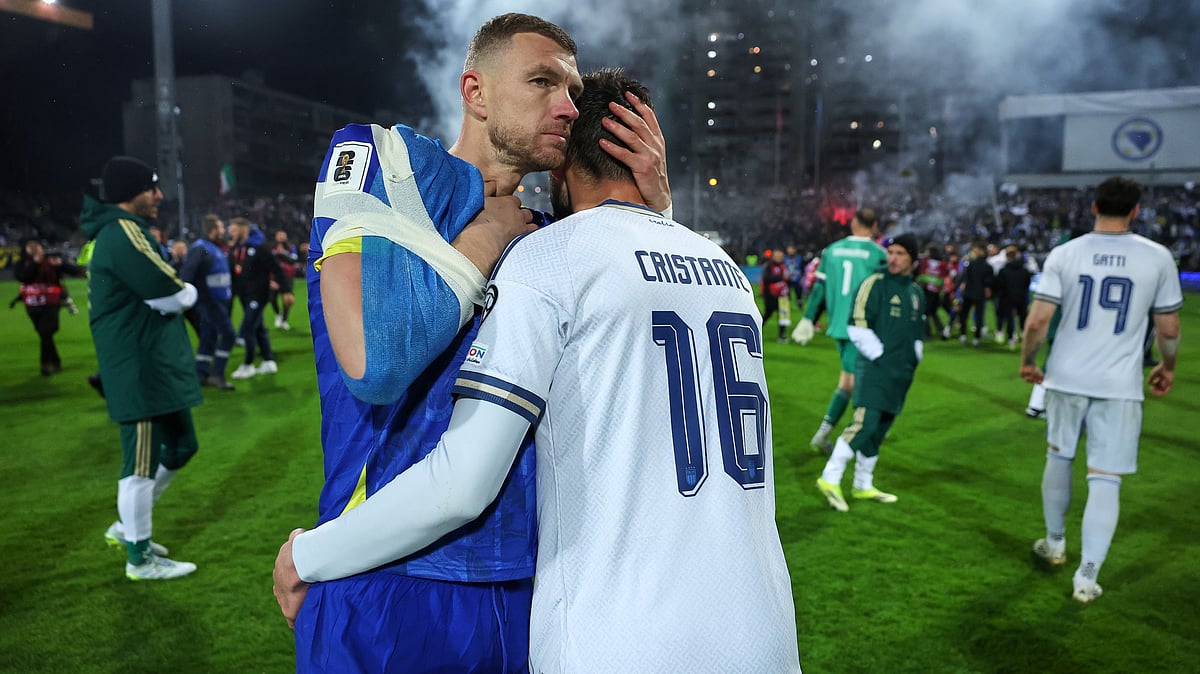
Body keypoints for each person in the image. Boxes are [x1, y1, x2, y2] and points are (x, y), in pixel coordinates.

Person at [275, 67, 800, 674]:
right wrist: (662, 208)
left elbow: (459, 482)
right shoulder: (725, 270)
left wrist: (307, 556)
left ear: (559, 163)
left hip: (623, 634)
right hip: (763, 626)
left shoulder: (548, 256)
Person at [1021, 176, 1183, 604]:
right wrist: (1167, 366)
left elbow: (1037, 321)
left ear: (1093, 207)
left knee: (1059, 456)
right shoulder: (1157, 257)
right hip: (1118, 385)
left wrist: (1028, 361)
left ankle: (1055, 544)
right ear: (1136, 210)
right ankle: (1086, 576)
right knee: (1105, 479)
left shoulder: (1065, 253)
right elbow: (1168, 327)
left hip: (1066, 378)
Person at [80, 155, 201, 581]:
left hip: (151, 363)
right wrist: (187, 290)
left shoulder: (123, 231)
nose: (159, 196)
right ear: (134, 193)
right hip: (138, 366)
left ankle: (128, 528)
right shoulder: (122, 231)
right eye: (153, 187)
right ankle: (139, 558)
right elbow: (169, 294)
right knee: (140, 463)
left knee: (183, 445)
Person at [815, 233, 925, 511]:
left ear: (913, 258)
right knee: (865, 424)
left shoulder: (915, 292)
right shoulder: (874, 283)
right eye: (892, 252)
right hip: (875, 369)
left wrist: (913, 359)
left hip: (901, 372)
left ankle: (863, 485)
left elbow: (917, 333)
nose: (893, 258)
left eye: (901, 253)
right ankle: (830, 478)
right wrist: (881, 356)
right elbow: (856, 325)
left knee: (880, 428)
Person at [793, 208, 887, 453]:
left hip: (837, 326)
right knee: (857, 383)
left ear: (853, 223)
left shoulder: (831, 251)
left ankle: (837, 434)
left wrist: (808, 318)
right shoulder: (878, 254)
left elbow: (819, 288)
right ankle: (842, 436)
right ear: (874, 225)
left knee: (852, 381)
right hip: (863, 327)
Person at [227, 217, 290, 379]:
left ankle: (248, 365)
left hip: (258, 295)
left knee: (247, 328)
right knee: (259, 328)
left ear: (243, 229)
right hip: (245, 296)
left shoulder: (259, 248)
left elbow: (276, 269)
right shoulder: (237, 248)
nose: (230, 233)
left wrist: (286, 291)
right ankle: (269, 361)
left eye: (233, 230)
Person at [180, 214, 237, 390]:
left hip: (216, 301)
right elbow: (187, 275)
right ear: (213, 230)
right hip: (209, 302)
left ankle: (201, 374)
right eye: (221, 227)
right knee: (228, 335)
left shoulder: (212, 247)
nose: (223, 230)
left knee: (208, 336)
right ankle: (217, 373)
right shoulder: (201, 248)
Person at [14, 238, 85, 375]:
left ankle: (46, 365)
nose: (34, 249)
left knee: (46, 332)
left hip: (51, 302)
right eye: (31, 246)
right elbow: (23, 277)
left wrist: (63, 264)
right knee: (45, 334)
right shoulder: (22, 264)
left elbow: (73, 271)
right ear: (26, 249)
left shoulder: (52, 261)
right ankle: (55, 361)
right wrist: (35, 262)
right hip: (32, 305)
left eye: (36, 245)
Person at [957, 240, 993, 346]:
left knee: (964, 314)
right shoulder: (987, 267)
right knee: (978, 316)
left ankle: (963, 335)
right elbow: (989, 282)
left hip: (969, 292)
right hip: (979, 294)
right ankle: (976, 338)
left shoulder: (971, 264)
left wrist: (959, 287)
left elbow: (965, 277)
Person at [995, 244, 1032, 349]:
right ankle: (1025, 338)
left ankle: (1011, 338)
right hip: (1021, 297)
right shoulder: (1024, 270)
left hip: (1007, 298)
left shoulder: (1004, 271)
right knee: (1022, 317)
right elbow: (1027, 283)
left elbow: (1000, 285)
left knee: (1009, 318)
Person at [269, 230, 299, 330]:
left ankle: (284, 320)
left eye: (283, 235)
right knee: (272, 298)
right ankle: (278, 314)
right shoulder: (272, 247)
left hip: (287, 277)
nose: (281, 237)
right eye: (279, 235)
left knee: (287, 300)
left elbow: (294, 260)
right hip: (275, 277)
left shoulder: (291, 248)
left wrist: (282, 254)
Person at [761, 247, 792, 341]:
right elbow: (766, 279)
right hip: (770, 295)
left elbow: (787, 281)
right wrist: (780, 277)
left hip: (783, 295)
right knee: (768, 314)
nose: (779, 258)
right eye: (777, 256)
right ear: (773, 256)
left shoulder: (784, 266)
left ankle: (782, 336)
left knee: (783, 316)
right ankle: (756, 329)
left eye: (781, 256)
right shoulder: (768, 266)